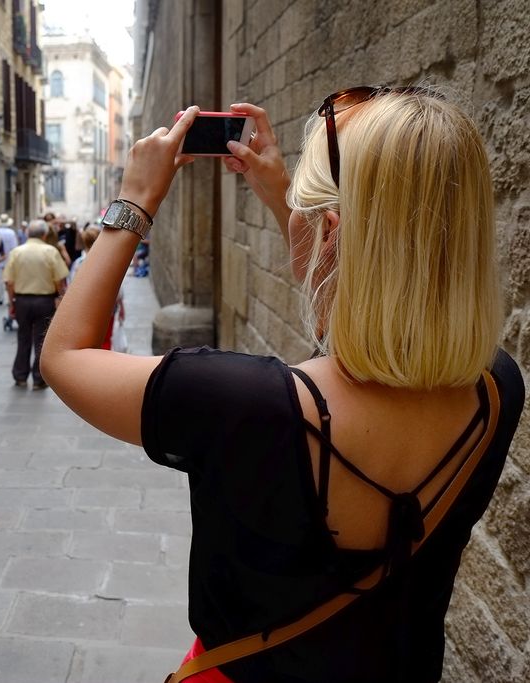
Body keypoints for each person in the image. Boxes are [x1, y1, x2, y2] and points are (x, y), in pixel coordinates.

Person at [41, 94, 524, 682]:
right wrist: (289, 201)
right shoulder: (498, 387)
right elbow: (359, 318)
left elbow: (65, 356)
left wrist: (135, 201)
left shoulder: (241, 405)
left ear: (329, 231)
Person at [3, 220, 68, 389]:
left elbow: (9, 282)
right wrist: (59, 300)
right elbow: (60, 281)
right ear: (44, 234)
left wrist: (12, 302)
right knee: (41, 339)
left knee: (23, 337)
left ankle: (20, 375)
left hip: (22, 300)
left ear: (27, 234)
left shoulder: (16, 252)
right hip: (44, 301)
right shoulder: (50, 251)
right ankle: (39, 378)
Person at [68, 226, 124, 351]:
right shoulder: (110, 262)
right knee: (105, 339)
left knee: (87, 341)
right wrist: (121, 306)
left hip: (85, 308)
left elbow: (72, 288)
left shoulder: (79, 263)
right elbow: (118, 288)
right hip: (107, 307)